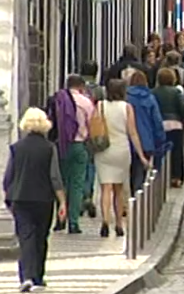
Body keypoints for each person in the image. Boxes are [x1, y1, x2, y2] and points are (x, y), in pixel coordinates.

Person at [3, 108, 67, 293]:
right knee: (41, 237)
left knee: (25, 238)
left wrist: (9, 195)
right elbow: (54, 177)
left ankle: (26, 276)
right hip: (43, 199)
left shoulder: (17, 148)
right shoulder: (49, 148)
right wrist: (62, 200)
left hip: (21, 198)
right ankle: (38, 276)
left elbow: (9, 176)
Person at [95, 79, 149, 237]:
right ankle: (119, 223)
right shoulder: (127, 108)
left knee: (106, 188)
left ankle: (105, 220)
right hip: (121, 149)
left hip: (104, 149)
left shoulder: (100, 106)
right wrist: (141, 155)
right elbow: (132, 132)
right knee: (119, 189)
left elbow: (94, 125)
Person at [56, 75, 94, 234]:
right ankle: (73, 222)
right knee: (77, 184)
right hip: (79, 145)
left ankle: (59, 220)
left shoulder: (58, 99)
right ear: (81, 86)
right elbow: (92, 124)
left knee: (60, 183)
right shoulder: (86, 102)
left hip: (60, 145)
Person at [125, 71, 165, 194]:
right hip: (146, 140)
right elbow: (157, 121)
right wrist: (160, 140)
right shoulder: (150, 98)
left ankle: (133, 193)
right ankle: (137, 196)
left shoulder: (126, 97)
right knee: (141, 171)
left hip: (128, 139)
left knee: (130, 170)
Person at [153, 68, 184, 187]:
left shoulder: (154, 92)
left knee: (160, 151)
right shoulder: (176, 92)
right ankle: (177, 177)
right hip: (175, 124)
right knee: (177, 152)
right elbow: (183, 108)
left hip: (160, 125)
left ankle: (159, 176)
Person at [80, 60, 105, 220]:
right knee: (90, 165)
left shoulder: (77, 89)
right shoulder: (99, 91)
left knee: (79, 168)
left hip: (77, 132)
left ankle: (80, 197)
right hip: (93, 132)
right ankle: (89, 193)